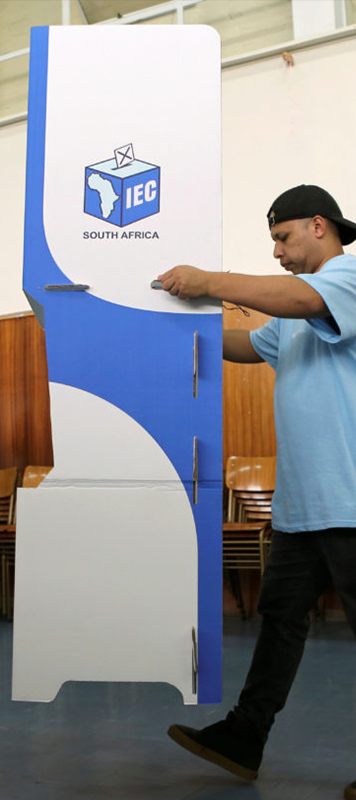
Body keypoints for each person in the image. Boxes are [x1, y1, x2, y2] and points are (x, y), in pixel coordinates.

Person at [158, 185, 356, 799]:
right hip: (306, 506)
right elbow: (250, 344)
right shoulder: (300, 315)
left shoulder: (346, 277)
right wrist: (162, 328)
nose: (276, 252)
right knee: (279, 620)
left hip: (350, 498)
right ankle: (244, 738)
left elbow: (295, 298)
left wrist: (210, 280)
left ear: (319, 226)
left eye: (283, 237)